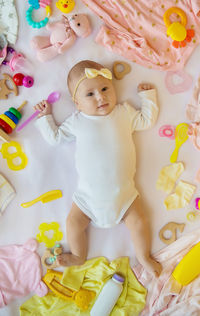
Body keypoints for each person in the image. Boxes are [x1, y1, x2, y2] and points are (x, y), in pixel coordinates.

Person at [35, 60, 162, 276]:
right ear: (77, 103)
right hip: (87, 199)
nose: (101, 97)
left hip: (125, 196)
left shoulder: (124, 113)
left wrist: (148, 98)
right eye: (90, 94)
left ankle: (143, 256)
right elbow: (55, 138)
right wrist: (45, 117)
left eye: (105, 89)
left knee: (140, 221)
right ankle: (78, 255)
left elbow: (146, 120)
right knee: (73, 223)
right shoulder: (77, 121)